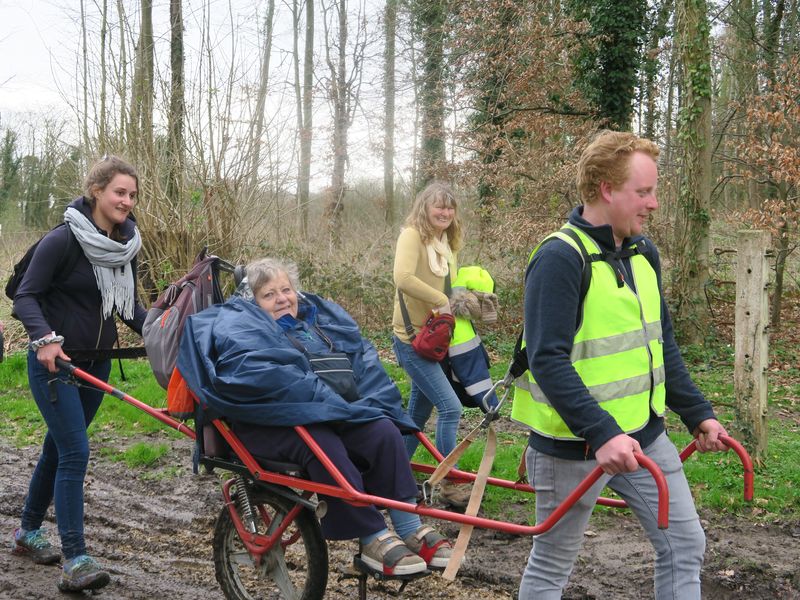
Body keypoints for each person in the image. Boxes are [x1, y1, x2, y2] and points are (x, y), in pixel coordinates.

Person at [511, 130, 730, 599]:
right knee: (552, 564)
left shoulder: (642, 252)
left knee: (685, 544)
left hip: (646, 435)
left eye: (653, 192)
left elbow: (660, 344)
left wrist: (698, 413)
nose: (653, 204)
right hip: (572, 446)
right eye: (643, 192)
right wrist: (601, 432)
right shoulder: (559, 259)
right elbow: (546, 359)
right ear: (606, 190)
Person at [177, 258, 453, 576]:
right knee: (322, 444)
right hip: (264, 423)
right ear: (252, 304)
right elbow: (262, 375)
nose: (282, 298)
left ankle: (409, 527)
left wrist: (361, 404)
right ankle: (372, 537)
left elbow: (357, 368)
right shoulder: (241, 329)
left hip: (328, 414)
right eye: (269, 295)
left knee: (383, 431)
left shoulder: (313, 326)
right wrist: (330, 399)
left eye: (286, 289)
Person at [11, 156, 147, 593]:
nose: (126, 201)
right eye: (119, 192)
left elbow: (128, 309)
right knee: (75, 452)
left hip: (96, 363)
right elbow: (25, 297)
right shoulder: (63, 240)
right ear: (97, 191)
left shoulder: (125, 246)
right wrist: (45, 337)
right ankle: (76, 559)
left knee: (59, 447)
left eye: (131, 194)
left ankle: (28, 532)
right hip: (56, 363)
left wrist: (170, 331)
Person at [391, 181, 471, 508]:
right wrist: (441, 299)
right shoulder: (412, 236)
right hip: (412, 340)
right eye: (438, 206)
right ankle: (449, 484)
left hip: (433, 339)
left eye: (450, 207)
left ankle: (391, 472)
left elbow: (449, 284)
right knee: (451, 408)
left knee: (416, 416)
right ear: (425, 207)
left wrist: (466, 299)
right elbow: (403, 277)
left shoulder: (446, 241)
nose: (445, 212)